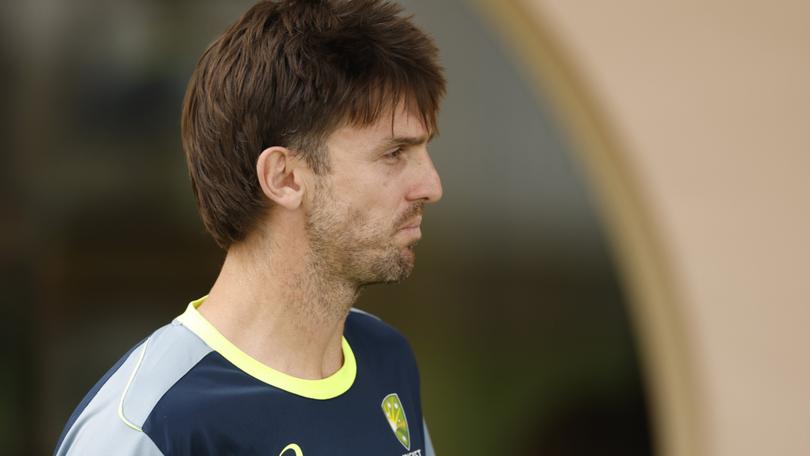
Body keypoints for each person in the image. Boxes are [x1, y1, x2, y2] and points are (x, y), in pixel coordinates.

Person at [53, 0, 445, 454]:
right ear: (284, 177)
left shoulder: (385, 357)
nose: (431, 185)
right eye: (394, 153)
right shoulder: (150, 427)